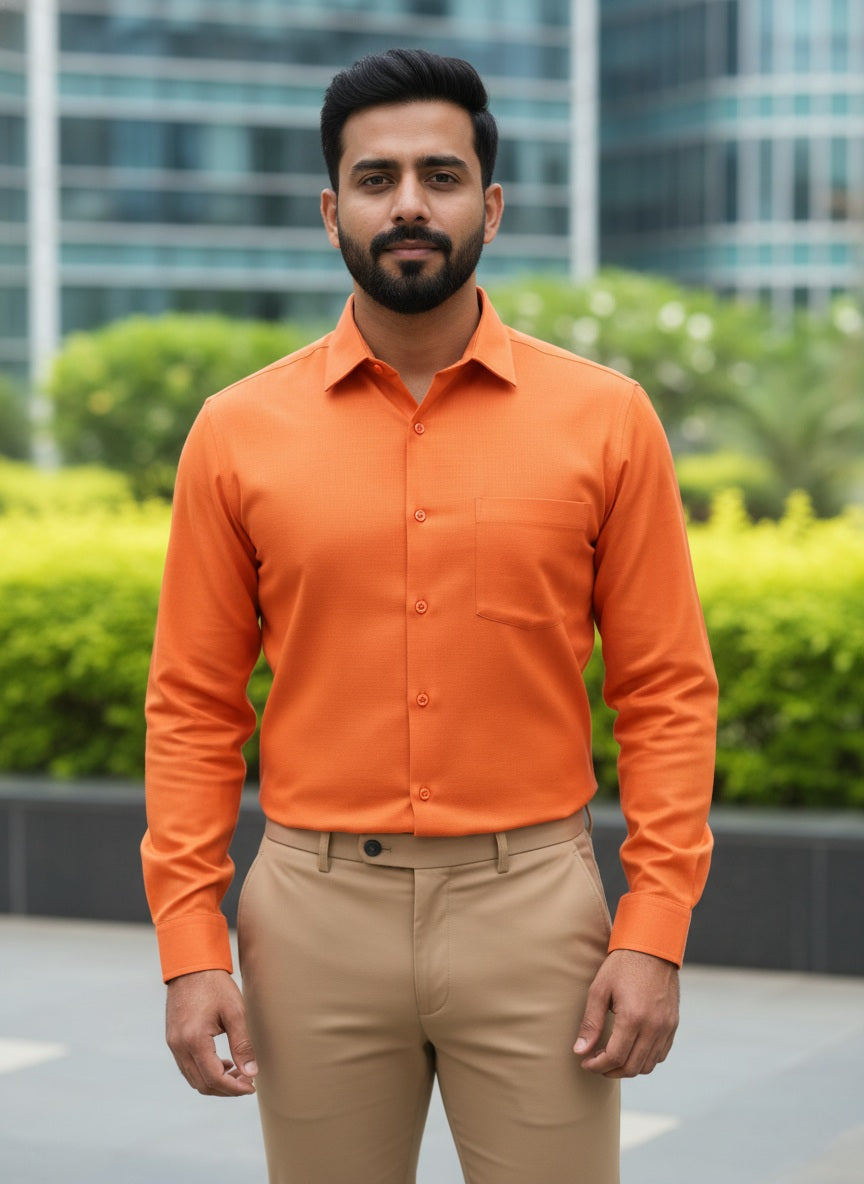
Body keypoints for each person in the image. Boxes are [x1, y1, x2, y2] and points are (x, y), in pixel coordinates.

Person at [141, 48, 717, 1184]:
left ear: (490, 207)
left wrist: (653, 926)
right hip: (311, 914)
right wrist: (188, 944)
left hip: (537, 907)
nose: (409, 203)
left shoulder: (607, 420)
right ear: (331, 209)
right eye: (377, 177)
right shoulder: (235, 431)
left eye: (441, 175)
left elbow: (666, 689)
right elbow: (194, 705)